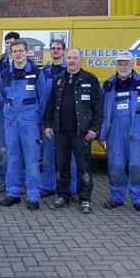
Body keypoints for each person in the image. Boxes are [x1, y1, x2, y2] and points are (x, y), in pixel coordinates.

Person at [44, 48, 103, 213]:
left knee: (83, 166)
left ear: (80, 60)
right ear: (65, 59)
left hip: (82, 132)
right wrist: (48, 124)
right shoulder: (58, 79)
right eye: (69, 57)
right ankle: (63, 196)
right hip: (61, 131)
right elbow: (50, 104)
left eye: (75, 58)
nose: (71, 61)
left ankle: (85, 199)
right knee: (62, 165)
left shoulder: (90, 79)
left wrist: (95, 128)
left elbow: (98, 107)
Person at [98, 50, 140, 212]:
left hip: (138, 133)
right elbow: (101, 112)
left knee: (137, 166)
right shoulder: (108, 84)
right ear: (116, 65)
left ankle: (138, 199)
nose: (123, 66)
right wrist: (102, 134)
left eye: (126, 63)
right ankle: (117, 197)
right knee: (115, 166)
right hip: (114, 133)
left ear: (132, 64)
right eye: (120, 63)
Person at [0, 40, 43, 210]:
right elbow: (2, 97)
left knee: (32, 160)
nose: (18, 54)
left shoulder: (36, 73)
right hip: (11, 123)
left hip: (29, 124)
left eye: (21, 51)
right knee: (12, 157)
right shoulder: (4, 74)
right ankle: (13, 193)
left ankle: (33, 196)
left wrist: (36, 119)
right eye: (14, 51)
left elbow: (43, 99)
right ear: (10, 53)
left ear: (27, 52)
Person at [38, 39, 78, 198]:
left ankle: (71, 188)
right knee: (48, 156)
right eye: (53, 48)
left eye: (59, 48)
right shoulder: (44, 72)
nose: (55, 50)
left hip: (65, 121)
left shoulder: (69, 71)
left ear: (63, 51)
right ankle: (48, 186)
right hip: (48, 121)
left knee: (69, 157)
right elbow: (40, 96)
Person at [0, 31, 20, 189]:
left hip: (19, 113)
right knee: (2, 146)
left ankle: (20, 181)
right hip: (1, 112)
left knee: (18, 146)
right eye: (7, 43)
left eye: (12, 42)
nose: (9, 46)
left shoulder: (27, 65)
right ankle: (4, 180)